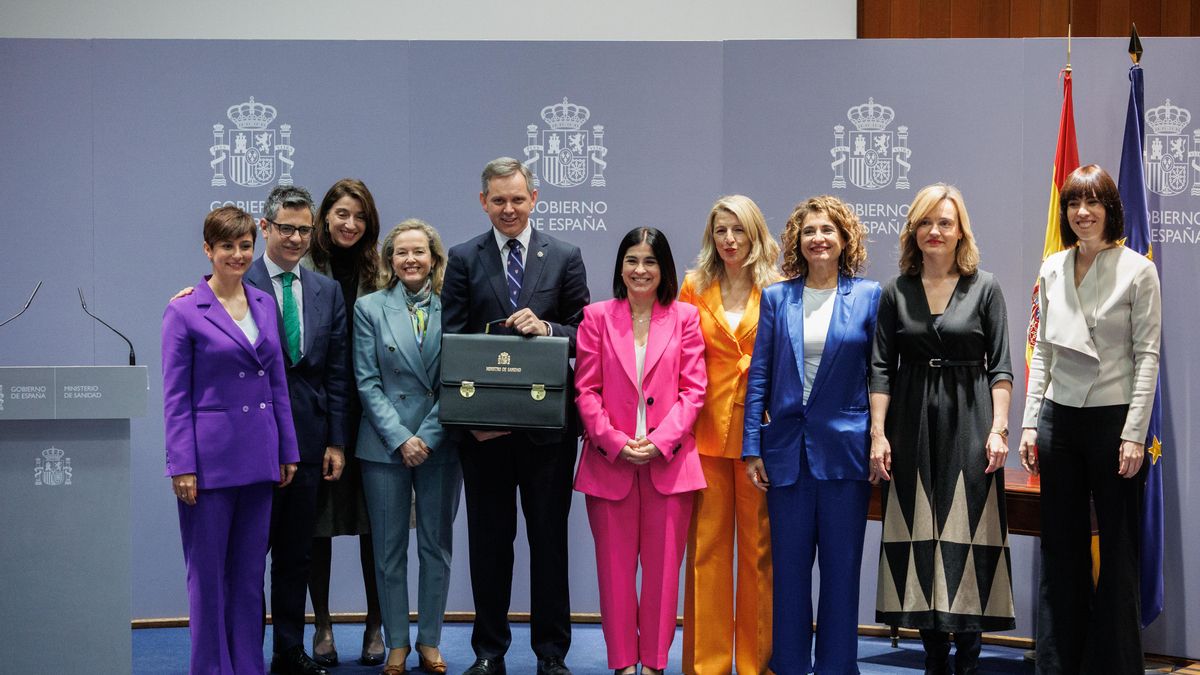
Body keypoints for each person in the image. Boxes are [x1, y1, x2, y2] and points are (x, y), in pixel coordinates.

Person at [440, 156, 590, 675]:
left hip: (547, 432)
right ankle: (489, 652)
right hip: (483, 434)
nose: (509, 208)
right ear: (483, 201)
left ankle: (552, 654)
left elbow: (584, 333)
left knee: (549, 544)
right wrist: (469, 420)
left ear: (535, 198)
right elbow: (450, 340)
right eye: (498, 200)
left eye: (518, 199)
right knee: (488, 544)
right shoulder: (461, 258)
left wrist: (548, 329)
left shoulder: (565, 256)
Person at [1019, 165, 1161, 675]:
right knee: (1062, 549)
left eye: (1093, 202)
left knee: (1118, 552)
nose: (1083, 213)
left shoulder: (1138, 270)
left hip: (1114, 424)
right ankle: (1058, 663)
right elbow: (1044, 355)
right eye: (1074, 203)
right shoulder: (1052, 268)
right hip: (1059, 421)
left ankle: (1116, 666)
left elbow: (1148, 356)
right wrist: (1031, 423)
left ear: (1110, 209)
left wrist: (1133, 434)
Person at [869, 184, 1015, 675]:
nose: (935, 231)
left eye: (945, 223)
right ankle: (933, 656)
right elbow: (881, 368)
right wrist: (878, 433)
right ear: (914, 229)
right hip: (909, 422)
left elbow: (1001, 367)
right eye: (926, 222)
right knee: (918, 535)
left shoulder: (986, 287)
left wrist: (998, 430)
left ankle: (969, 657)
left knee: (966, 532)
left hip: (970, 418)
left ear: (960, 231)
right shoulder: (895, 290)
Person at [742, 195, 881, 675]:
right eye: (808, 232)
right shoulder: (778, 297)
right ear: (796, 242)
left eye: (827, 230)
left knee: (842, 575)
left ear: (845, 240)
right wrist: (751, 447)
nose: (818, 238)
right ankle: (790, 665)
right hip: (786, 455)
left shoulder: (869, 296)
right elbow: (759, 373)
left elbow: (879, 376)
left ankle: (838, 668)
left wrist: (879, 438)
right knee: (790, 576)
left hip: (846, 454)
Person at [162, 205, 300, 675]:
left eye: (245, 246)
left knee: (246, 579)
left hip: (260, 458)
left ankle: (247, 666)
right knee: (207, 579)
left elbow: (277, 381)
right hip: (208, 464)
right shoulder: (183, 309)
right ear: (208, 250)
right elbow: (175, 396)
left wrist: (287, 449)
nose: (238, 255)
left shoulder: (263, 302)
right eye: (227, 247)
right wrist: (182, 464)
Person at [574, 227, 707, 675]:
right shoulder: (595, 317)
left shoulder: (686, 318)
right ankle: (622, 664)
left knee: (663, 574)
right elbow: (585, 391)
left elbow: (694, 391)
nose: (640, 270)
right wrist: (614, 441)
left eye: (650, 261)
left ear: (663, 269)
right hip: (609, 464)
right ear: (620, 267)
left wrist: (660, 441)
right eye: (632, 260)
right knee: (614, 575)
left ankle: (653, 664)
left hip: (668, 463)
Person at [248, 186, 350, 675]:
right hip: (250, 443)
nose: (294, 238)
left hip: (309, 440)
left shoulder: (325, 290)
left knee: (295, 554)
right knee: (248, 555)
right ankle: (243, 650)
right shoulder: (233, 283)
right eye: (284, 228)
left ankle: (289, 651)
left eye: (303, 229)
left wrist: (335, 440)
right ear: (264, 227)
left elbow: (335, 371)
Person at [354, 219, 462, 675]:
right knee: (388, 548)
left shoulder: (453, 307)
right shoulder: (369, 308)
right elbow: (367, 380)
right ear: (390, 260)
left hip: (440, 442)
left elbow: (456, 381)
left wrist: (427, 437)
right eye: (401, 253)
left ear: (434, 258)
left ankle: (430, 642)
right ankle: (397, 642)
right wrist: (401, 437)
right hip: (384, 444)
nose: (411, 260)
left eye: (419, 252)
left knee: (436, 547)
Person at [678, 195, 779, 675]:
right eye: (721, 230)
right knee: (707, 551)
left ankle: (756, 663)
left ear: (756, 233)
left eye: (738, 230)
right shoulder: (693, 286)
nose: (730, 240)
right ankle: (707, 665)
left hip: (760, 437)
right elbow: (674, 356)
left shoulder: (779, 288)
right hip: (702, 434)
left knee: (759, 552)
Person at [302, 178, 385, 667]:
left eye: (358, 216)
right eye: (340, 214)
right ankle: (323, 625)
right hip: (318, 415)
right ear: (324, 218)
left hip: (373, 416)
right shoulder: (304, 268)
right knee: (318, 526)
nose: (349, 224)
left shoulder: (384, 269)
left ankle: (377, 624)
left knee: (377, 525)